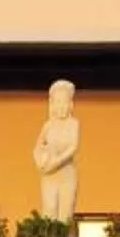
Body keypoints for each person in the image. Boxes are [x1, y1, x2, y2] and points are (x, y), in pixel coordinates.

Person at [32, 79, 81, 226]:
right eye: (57, 101)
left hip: (66, 175)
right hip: (49, 176)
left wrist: (55, 162)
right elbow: (37, 147)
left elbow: (73, 147)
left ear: (70, 104)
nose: (61, 106)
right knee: (49, 210)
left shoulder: (74, 124)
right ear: (52, 104)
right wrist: (41, 162)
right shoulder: (48, 125)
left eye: (64, 101)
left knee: (65, 214)